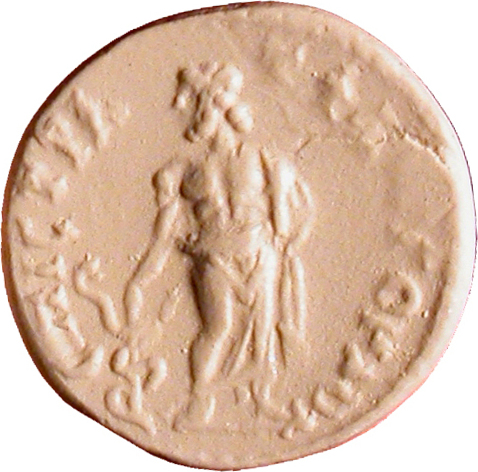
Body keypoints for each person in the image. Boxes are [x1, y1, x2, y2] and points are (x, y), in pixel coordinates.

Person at [124, 63, 314, 428]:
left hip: (259, 252)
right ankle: (200, 401)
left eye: (195, 107)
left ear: (215, 106)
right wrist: (142, 279)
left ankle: (262, 399)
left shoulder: (265, 160)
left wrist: (280, 209)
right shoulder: (179, 170)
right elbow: (164, 233)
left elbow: (287, 221)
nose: (190, 117)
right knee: (218, 328)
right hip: (214, 256)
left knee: (263, 332)